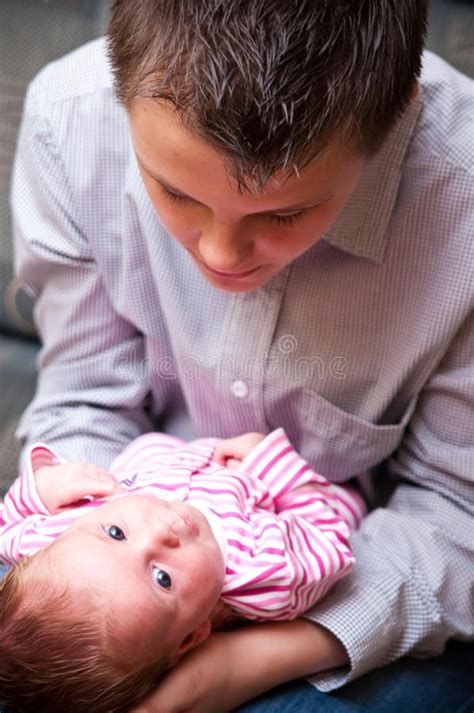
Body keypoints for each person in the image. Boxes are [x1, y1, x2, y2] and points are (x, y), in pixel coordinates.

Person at [8, 1, 474, 711]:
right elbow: (83, 403)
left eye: (285, 213)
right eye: (175, 191)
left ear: (395, 118)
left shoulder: (461, 197)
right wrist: (96, 550)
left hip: (375, 577)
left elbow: (455, 513)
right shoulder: (69, 121)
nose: (221, 256)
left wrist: (234, 666)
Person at [0, 428, 366, 712]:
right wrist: (273, 465)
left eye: (117, 533)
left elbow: (10, 525)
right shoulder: (263, 576)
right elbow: (329, 541)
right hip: (285, 480)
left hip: (178, 448)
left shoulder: (59, 540)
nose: (160, 531)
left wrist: (42, 488)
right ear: (193, 637)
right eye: (163, 578)